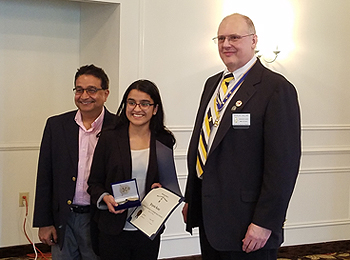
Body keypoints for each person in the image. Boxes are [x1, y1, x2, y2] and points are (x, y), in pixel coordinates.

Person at [182, 13, 301, 260]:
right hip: (211, 219)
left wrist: (265, 222)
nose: (226, 44)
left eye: (235, 37)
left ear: (254, 40)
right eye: (221, 38)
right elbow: (204, 143)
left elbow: (283, 166)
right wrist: (192, 198)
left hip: (248, 226)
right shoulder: (212, 84)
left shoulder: (275, 88)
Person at [87, 79, 180, 260]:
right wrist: (105, 197)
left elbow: (168, 183)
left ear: (155, 109)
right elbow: (94, 182)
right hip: (113, 228)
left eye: (145, 103)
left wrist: (161, 190)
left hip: (148, 228)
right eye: (131, 102)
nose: (137, 109)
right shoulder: (109, 138)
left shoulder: (163, 140)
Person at [33, 64, 116, 260]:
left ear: (105, 93)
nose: (84, 95)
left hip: (100, 218)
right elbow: (45, 176)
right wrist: (44, 222)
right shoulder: (56, 125)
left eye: (92, 90)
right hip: (64, 218)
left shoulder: (119, 127)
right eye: (79, 90)